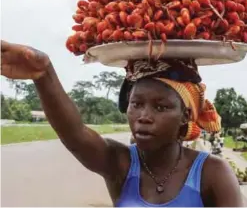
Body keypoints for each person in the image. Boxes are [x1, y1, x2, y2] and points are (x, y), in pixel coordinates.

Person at [1, 40, 243, 207]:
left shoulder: (213, 174)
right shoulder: (120, 164)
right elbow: (75, 133)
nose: (144, 116)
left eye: (161, 107)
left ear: (185, 116)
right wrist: (44, 74)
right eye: (136, 104)